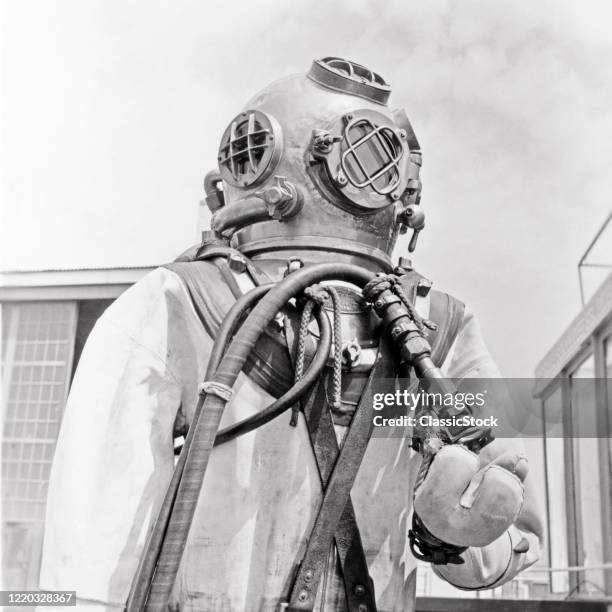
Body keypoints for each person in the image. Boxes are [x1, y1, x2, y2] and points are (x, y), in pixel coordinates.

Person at [40, 57, 543, 611]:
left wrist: (447, 531)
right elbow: (88, 562)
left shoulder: (439, 329)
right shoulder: (181, 303)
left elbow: (513, 535)